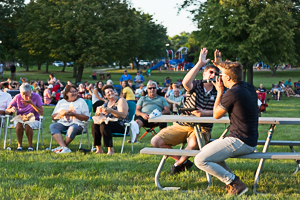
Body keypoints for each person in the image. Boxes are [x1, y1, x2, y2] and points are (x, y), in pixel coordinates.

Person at [194, 49, 258, 196]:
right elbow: (230, 69)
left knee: (200, 159)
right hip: (249, 139)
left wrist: (219, 92)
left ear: (228, 78)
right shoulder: (247, 86)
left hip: (240, 140)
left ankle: (235, 183)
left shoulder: (232, 93)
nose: (219, 77)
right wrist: (219, 61)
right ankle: (232, 181)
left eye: (221, 75)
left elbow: (216, 115)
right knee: (207, 151)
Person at [151, 48, 219, 175]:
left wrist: (204, 113)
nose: (213, 75)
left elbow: (221, 111)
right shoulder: (197, 84)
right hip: (183, 124)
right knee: (156, 141)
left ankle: (177, 165)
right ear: (203, 74)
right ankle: (183, 162)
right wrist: (199, 63)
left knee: (193, 143)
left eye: (216, 73)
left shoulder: (219, 90)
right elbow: (186, 83)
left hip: (203, 127)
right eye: (210, 72)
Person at [50, 85, 89, 154]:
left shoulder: (81, 102)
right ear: (67, 93)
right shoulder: (61, 102)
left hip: (77, 124)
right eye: (72, 92)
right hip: (62, 123)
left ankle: (62, 148)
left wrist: (74, 114)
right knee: (52, 126)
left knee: (72, 128)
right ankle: (64, 148)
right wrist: (61, 114)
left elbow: (86, 117)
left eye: (75, 91)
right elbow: (53, 117)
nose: (74, 93)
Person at [91, 85, 129, 155]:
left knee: (105, 125)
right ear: (105, 96)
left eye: (111, 91)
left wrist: (111, 111)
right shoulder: (105, 104)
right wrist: (98, 113)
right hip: (109, 124)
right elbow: (101, 117)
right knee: (95, 124)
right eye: (107, 92)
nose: (110, 93)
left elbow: (123, 115)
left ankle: (110, 149)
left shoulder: (120, 100)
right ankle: (99, 148)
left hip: (121, 125)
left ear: (114, 92)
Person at [5, 83, 44, 151]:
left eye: (27, 94)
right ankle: (19, 145)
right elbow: (6, 111)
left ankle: (30, 146)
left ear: (30, 92)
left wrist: (31, 103)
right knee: (19, 123)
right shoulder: (17, 97)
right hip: (20, 118)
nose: (24, 96)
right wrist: (11, 110)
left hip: (34, 118)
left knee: (27, 124)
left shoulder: (36, 96)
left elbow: (41, 112)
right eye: (23, 94)